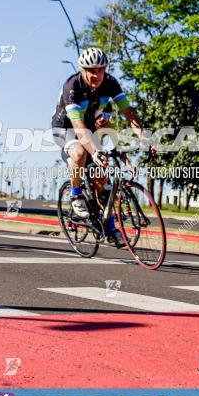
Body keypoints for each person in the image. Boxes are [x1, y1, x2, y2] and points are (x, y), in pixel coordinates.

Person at [50, 47, 151, 247]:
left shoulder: (111, 83)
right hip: (66, 129)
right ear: (82, 70)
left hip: (88, 130)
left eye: (100, 70)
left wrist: (145, 138)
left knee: (101, 180)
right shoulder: (72, 86)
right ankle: (76, 195)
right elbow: (78, 128)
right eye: (91, 70)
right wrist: (94, 152)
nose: (96, 75)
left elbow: (128, 112)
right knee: (79, 152)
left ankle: (111, 229)